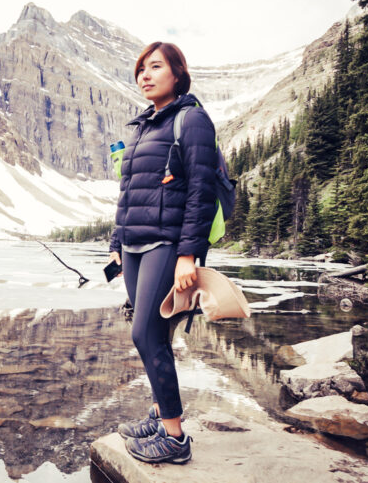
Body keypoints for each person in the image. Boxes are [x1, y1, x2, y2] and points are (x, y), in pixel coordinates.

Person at [108, 41, 218, 464]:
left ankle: (174, 437)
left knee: (146, 333)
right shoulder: (143, 128)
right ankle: (158, 414)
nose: (145, 75)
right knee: (157, 334)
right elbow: (128, 192)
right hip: (135, 244)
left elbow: (201, 191)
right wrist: (117, 245)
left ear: (177, 73)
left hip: (167, 244)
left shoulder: (192, 120)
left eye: (156, 67)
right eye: (141, 69)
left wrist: (188, 254)